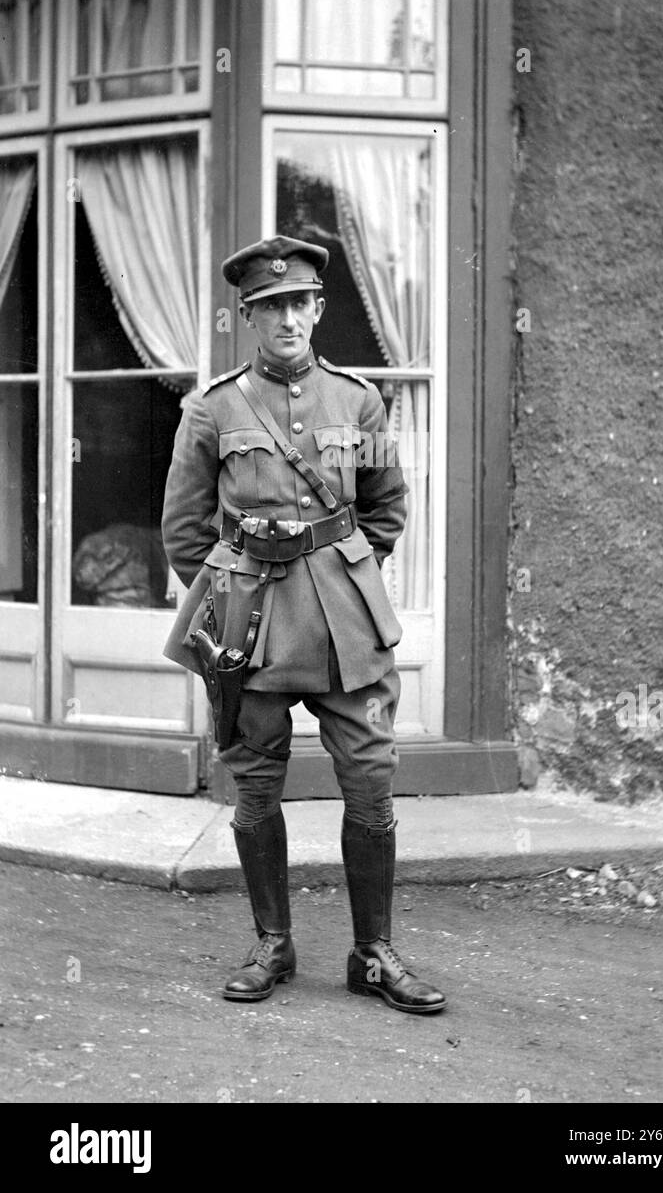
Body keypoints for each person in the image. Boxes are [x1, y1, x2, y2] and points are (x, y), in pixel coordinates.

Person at [161, 235, 446, 1015]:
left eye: (299, 303)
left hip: (344, 623)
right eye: (270, 307)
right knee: (255, 783)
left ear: (318, 309)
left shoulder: (357, 400)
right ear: (247, 316)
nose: (287, 319)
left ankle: (374, 953)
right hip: (249, 623)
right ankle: (273, 943)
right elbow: (185, 532)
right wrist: (232, 598)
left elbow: (386, 505)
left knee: (371, 777)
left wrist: (343, 574)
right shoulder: (212, 408)